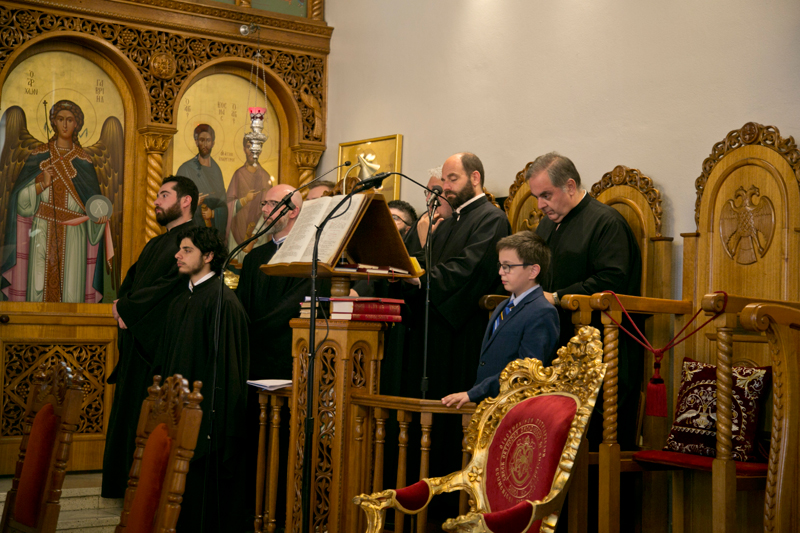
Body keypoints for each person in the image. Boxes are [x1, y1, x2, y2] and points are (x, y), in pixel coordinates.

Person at [527, 151, 642, 449]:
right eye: (537, 197)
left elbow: (611, 281)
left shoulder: (606, 223)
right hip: (556, 346)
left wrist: (556, 296)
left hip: (601, 349)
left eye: (546, 195)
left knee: (589, 442)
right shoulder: (546, 227)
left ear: (569, 185)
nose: (541, 205)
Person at [102, 175, 197, 498]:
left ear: (185, 201)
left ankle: (144, 495)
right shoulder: (157, 242)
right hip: (136, 347)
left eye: (164, 195)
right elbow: (133, 281)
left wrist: (130, 310)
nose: (156, 201)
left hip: (158, 350)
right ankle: (124, 488)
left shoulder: (194, 241)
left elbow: (170, 289)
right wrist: (121, 306)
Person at [152, 226, 249, 533]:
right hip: (178, 419)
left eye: (187, 250)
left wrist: (213, 429)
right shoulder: (182, 299)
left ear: (208, 256)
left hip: (206, 429)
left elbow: (229, 374)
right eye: (179, 249)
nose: (178, 255)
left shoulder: (223, 302)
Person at [1, 100, 111, 303]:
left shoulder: (85, 162)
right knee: (37, 285)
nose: (65, 124)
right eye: (60, 119)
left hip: (74, 234)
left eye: (70, 120)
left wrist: (98, 221)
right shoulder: (39, 155)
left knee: (71, 288)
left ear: (77, 124)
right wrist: (42, 184)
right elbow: (20, 202)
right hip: (41, 230)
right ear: (53, 123)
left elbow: (93, 205)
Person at [442, 231, 559, 408]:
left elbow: (525, 373)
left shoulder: (542, 312)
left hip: (513, 408)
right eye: (500, 265)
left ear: (533, 270)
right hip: (490, 405)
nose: (500, 272)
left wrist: (476, 392)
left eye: (508, 266)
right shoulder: (503, 306)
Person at [226, 136, 273, 262]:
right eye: (248, 146)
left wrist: (253, 237)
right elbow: (228, 206)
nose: (252, 150)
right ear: (244, 149)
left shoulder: (265, 177)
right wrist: (244, 200)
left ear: (261, 150)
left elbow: (268, 212)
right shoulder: (238, 175)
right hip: (237, 229)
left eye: (256, 146)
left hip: (258, 236)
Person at [177, 124, 228, 235]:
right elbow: (176, 203)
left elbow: (223, 203)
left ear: (213, 143)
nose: (205, 144)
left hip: (211, 231)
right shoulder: (185, 169)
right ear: (196, 142)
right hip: (192, 232)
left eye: (208, 140)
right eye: (202, 140)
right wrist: (194, 203)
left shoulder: (217, 171)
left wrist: (213, 213)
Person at [405, 166, 453, 255]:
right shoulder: (423, 220)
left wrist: (425, 240)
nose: (428, 199)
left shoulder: (462, 225)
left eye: (436, 192)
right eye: (428, 192)